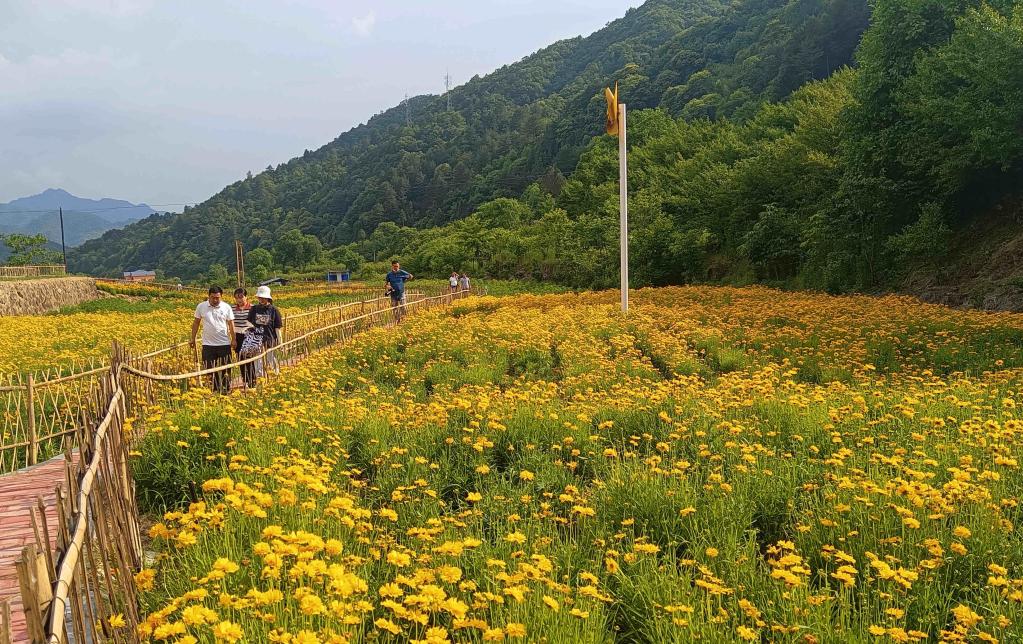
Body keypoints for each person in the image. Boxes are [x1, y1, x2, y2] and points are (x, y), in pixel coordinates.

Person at [190, 286, 235, 394]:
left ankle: (225, 389)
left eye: (217, 298)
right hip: (208, 344)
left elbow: (231, 324)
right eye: (213, 298)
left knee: (226, 368)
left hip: (224, 343)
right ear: (208, 296)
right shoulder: (201, 306)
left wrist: (234, 339)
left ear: (221, 297)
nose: (215, 300)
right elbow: (196, 322)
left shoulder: (226, 307)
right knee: (209, 368)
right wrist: (192, 338)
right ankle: (214, 389)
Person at [246, 285, 284, 378]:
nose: (261, 299)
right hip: (257, 339)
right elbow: (249, 324)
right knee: (257, 361)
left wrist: (280, 343)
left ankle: (274, 376)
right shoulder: (254, 309)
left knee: (271, 359)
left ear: (268, 298)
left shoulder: (274, 310)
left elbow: (277, 328)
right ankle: (260, 379)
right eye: (260, 297)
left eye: (263, 297)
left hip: (270, 338)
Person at [232, 287, 256, 388]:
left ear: (246, 297)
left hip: (249, 335)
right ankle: (245, 380)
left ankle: (252, 381)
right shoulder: (232, 309)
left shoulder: (253, 308)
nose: (239, 300)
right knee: (240, 359)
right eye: (237, 298)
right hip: (238, 335)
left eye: (241, 297)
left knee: (249, 359)